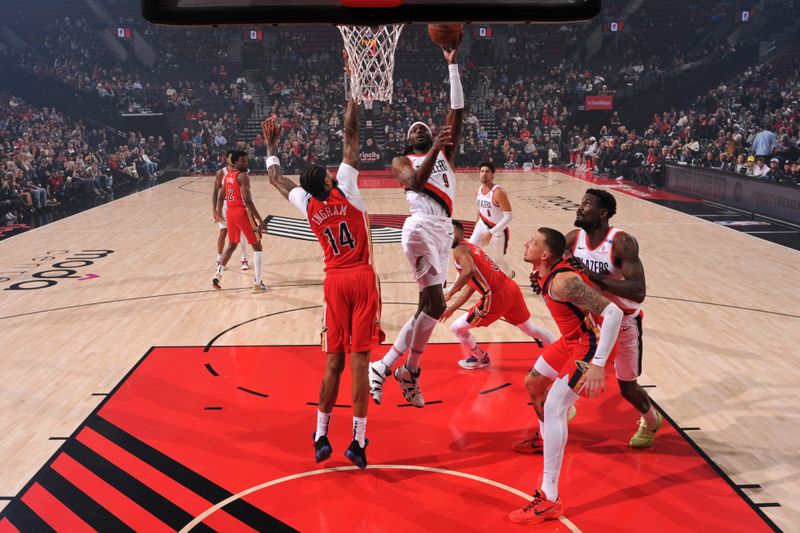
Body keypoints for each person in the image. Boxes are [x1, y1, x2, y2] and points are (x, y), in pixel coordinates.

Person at [262, 86, 383, 469]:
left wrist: (271, 148)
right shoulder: (346, 189)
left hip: (333, 282)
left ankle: (320, 436)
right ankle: (358, 443)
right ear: (330, 182)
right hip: (362, 279)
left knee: (333, 363)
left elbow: (277, 179)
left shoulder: (309, 203)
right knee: (361, 365)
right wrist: (353, 92)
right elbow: (350, 137)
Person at [368, 38, 465, 408]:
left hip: (442, 231)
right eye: (415, 130)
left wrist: (452, 66)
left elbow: (457, 111)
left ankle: (396, 369)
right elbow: (415, 183)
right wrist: (437, 147)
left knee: (427, 306)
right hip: (420, 227)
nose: (420, 130)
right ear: (409, 140)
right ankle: (398, 368)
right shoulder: (401, 160)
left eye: (425, 129)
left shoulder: (445, 150)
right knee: (436, 306)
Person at [509, 228, 623, 525]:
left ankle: (549, 498)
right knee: (533, 383)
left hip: (589, 345)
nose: (526, 242)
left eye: (532, 241)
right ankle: (547, 440)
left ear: (546, 255)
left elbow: (613, 313)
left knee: (554, 406)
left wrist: (598, 364)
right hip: (570, 339)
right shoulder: (547, 272)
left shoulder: (563, 281)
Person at [565, 189, 663, 447]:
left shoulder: (621, 242)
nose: (580, 207)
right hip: (593, 323)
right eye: (581, 201)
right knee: (574, 371)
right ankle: (563, 406)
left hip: (624, 323)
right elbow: (555, 263)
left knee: (627, 388)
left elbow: (638, 291)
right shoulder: (574, 239)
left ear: (602, 213)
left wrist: (594, 277)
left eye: (586, 204)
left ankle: (651, 420)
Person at [440, 220, 555, 369]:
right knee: (529, 328)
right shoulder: (470, 248)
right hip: (511, 288)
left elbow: (468, 271)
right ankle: (560, 351)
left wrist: (450, 294)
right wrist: (453, 308)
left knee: (457, 328)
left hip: (496, 297)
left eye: (451, 230)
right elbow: (472, 285)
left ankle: (480, 358)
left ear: (462, 234)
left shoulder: (459, 250)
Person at [212, 150, 267, 293]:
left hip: (230, 213)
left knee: (231, 245)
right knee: (257, 246)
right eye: (242, 161)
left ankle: (218, 275)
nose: (245, 163)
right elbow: (248, 201)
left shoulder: (228, 176)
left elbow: (220, 196)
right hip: (241, 212)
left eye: (246, 160)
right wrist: (260, 220)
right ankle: (258, 283)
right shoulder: (242, 176)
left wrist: (219, 211)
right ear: (235, 162)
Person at [468, 161, 514, 277]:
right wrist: (476, 225)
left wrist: (490, 232)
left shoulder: (498, 192)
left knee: (498, 259)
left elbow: (509, 216)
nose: (484, 174)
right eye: (482, 171)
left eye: (487, 172)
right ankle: (467, 278)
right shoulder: (479, 190)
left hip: (496, 230)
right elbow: (480, 209)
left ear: (492, 174)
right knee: (469, 250)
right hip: (482, 224)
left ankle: (509, 274)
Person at [212, 150, 248, 270]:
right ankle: (219, 258)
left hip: (237, 204)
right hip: (224, 205)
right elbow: (215, 192)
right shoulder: (221, 173)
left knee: (241, 233)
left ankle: (244, 259)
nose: (233, 160)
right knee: (223, 233)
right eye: (231, 158)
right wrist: (215, 210)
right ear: (227, 159)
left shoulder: (240, 173)